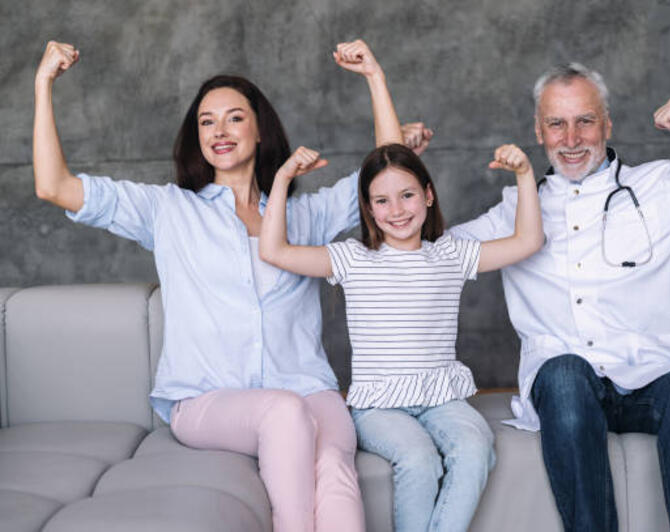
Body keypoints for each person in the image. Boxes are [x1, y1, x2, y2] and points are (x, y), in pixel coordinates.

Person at [32, 39, 428, 532]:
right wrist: (43, 82)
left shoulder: (303, 214)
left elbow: (384, 171)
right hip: (206, 401)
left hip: (306, 387)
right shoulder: (168, 211)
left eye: (234, 118)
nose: (219, 130)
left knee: (334, 469)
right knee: (283, 414)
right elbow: (53, 185)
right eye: (206, 121)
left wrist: (375, 76)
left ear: (260, 129)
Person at [448, 63, 670, 531]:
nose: (571, 138)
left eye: (585, 121)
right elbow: (431, 256)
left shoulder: (662, 187)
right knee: (564, 373)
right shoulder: (515, 209)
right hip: (568, 390)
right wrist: (399, 158)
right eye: (556, 123)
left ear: (607, 123)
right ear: (538, 130)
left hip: (654, 376)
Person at [260, 40, 545, 532]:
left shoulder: (451, 254)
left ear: (428, 196)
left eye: (408, 195)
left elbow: (527, 241)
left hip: (440, 396)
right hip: (378, 405)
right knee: (418, 461)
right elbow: (275, 252)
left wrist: (524, 177)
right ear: (368, 210)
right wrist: (283, 178)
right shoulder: (353, 258)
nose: (397, 210)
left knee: (476, 448)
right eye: (382, 201)